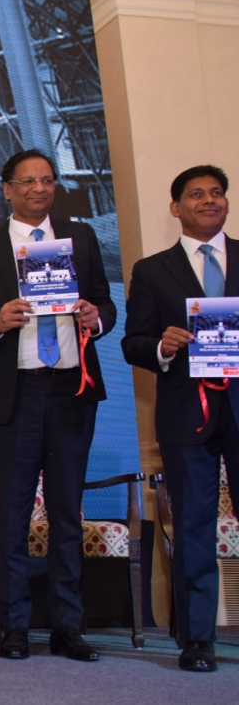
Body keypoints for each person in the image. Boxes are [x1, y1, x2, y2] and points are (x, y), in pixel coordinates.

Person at [0, 149, 115, 662]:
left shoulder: (81, 238)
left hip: (72, 389)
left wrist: (95, 316)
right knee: (15, 513)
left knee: (67, 512)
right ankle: (14, 625)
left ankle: (68, 626)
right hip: (15, 392)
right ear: (7, 189)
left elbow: (106, 303)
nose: (39, 189)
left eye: (47, 180)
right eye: (28, 181)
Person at [122, 164, 236, 673]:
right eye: (197, 194)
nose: (209, 200)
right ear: (176, 207)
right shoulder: (152, 270)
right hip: (186, 413)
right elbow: (133, 343)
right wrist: (162, 348)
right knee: (192, 526)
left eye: (217, 192)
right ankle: (198, 640)